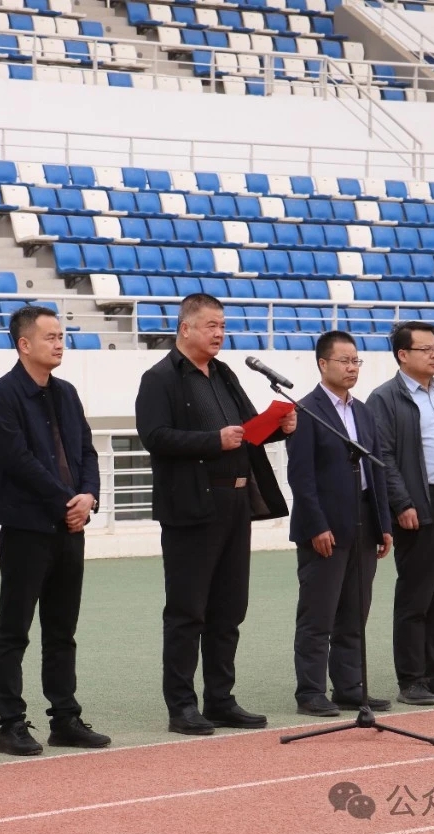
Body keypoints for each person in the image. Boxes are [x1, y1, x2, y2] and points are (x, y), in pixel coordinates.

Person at [135, 293, 296, 736]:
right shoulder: (160, 378)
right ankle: (182, 706)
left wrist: (279, 428)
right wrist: (213, 440)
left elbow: (248, 432)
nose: (220, 333)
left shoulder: (224, 374)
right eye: (211, 325)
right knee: (188, 610)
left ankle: (221, 700)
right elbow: (154, 436)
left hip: (236, 503)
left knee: (229, 608)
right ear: (185, 328)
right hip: (192, 507)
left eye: (223, 326)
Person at [0, 306, 108, 756]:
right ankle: (11, 724)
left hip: (70, 527)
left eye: (61, 336)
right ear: (24, 344)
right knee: (14, 629)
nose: (59, 343)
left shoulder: (66, 393)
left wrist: (88, 497)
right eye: (50, 337)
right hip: (27, 528)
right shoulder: (3, 394)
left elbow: (87, 451)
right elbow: (18, 460)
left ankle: (65, 718)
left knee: (61, 629)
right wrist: (66, 501)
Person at [367, 321, 434, 707]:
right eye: (425, 349)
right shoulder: (385, 398)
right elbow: (382, 456)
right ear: (402, 355)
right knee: (416, 597)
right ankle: (411, 679)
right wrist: (402, 503)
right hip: (420, 505)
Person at [287, 331, 394, 717]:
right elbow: (300, 477)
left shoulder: (363, 411)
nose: (352, 368)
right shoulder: (307, 410)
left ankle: (350, 687)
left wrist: (384, 524)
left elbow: (376, 470)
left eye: (356, 361)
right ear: (323, 363)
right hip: (325, 527)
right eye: (344, 361)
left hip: (363, 522)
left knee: (354, 613)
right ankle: (311, 691)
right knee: (318, 614)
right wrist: (317, 526)